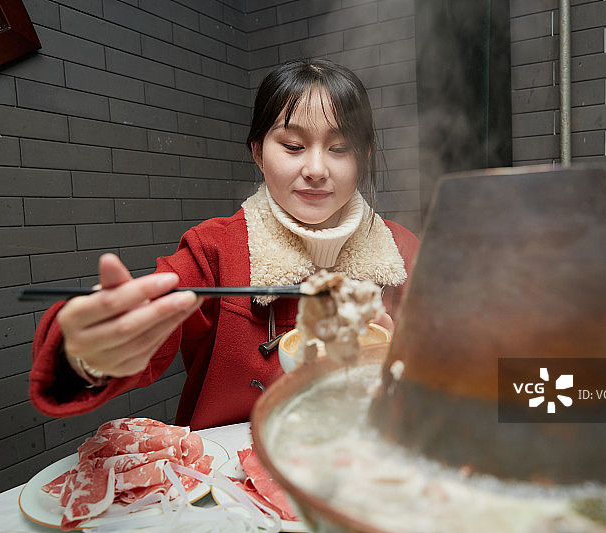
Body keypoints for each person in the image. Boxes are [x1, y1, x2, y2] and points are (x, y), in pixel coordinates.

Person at [29, 59, 419, 429]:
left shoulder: (402, 252)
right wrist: (89, 352)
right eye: (293, 146)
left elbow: (457, 370)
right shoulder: (213, 249)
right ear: (258, 153)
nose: (316, 170)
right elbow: (143, 332)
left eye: (339, 149)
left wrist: (401, 358)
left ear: (363, 156)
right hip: (230, 483)